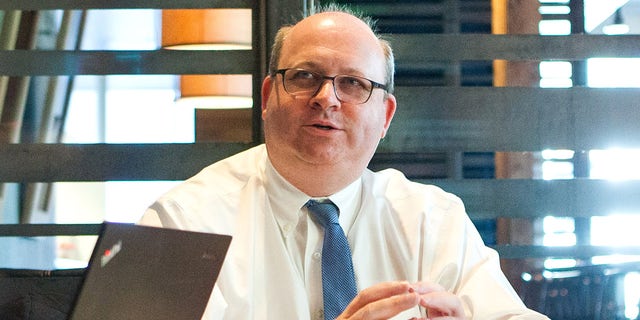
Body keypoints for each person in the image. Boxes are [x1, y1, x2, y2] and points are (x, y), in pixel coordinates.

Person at [139, 5, 549, 320]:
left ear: (386, 116)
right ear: (267, 98)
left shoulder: (431, 219)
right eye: (304, 77)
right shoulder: (183, 223)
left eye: (352, 83)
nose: (326, 98)